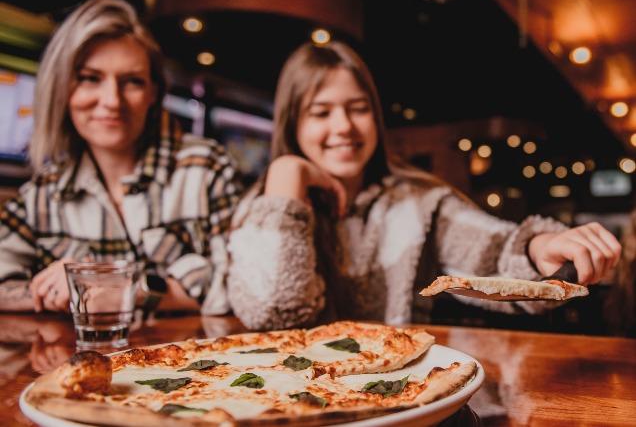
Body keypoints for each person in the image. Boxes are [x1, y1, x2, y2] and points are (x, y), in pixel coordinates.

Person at [227, 41, 621, 330]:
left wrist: (540, 248)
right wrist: (286, 175)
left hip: (399, 394)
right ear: (293, 125)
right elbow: (275, 312)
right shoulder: (262, 209)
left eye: (358, 108)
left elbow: (494, 250)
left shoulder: (417, 202)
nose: (343, 126)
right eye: (321, 112)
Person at [0, 0, 242, 315]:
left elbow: (240, 290)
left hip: (195, 361)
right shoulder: (44, 192)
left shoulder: (205, 167)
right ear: (62, 88)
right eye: (90, 78)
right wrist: (65, 288)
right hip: (83, 362)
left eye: (132, 82)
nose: (112, 100)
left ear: (153, 93)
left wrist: (124, 288)